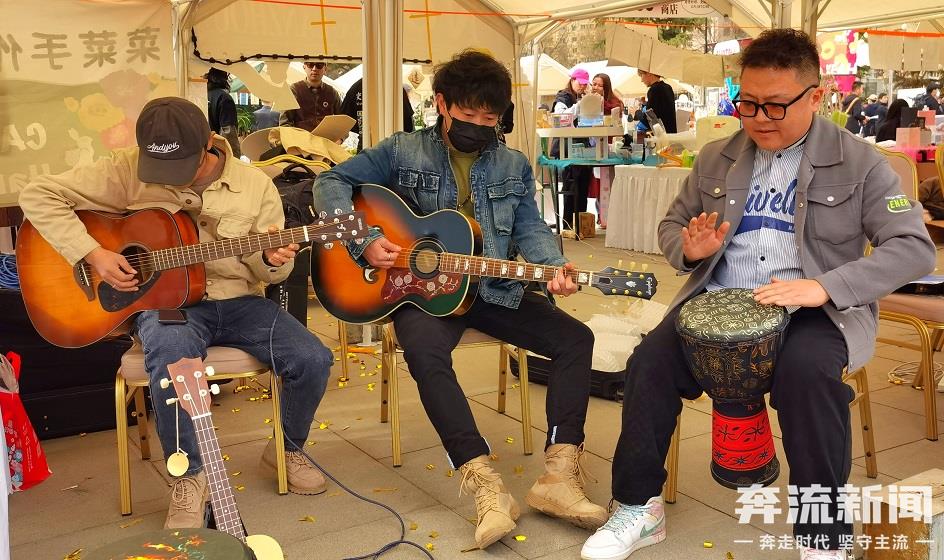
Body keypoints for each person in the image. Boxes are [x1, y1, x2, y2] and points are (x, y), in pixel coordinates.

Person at [582, 29, 935, 560]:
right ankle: (638, 507)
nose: (759, 119)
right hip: (719, 301)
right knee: (648, 363)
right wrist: (690, 250)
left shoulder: (862, 164)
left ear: (816, 97)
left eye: (775, 106)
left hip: (814, 309)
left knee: (808, 376)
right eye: (747, 104)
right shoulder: (716, 157)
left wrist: (825, 286)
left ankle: (824, 537)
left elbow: (913, 249)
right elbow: (673, 225)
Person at [313, 50, 605, 550]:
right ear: (442, 104)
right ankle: (485, 484)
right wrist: (364, 240)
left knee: (576, 339)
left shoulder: (513, 162)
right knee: (425, 352)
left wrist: (553, 267)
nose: (479, 126)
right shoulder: (402, 150)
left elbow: (530, 228)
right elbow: (330, 181)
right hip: (419, 293)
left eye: (490, 119)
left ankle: (559, 477)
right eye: (468, 115)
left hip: (491, 286)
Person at [18, 97, 335, 529]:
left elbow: (269, 271)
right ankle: (190, 477)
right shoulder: (125, 169)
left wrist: (272, 258)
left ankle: (287, 449)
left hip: (238, 301)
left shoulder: (254, 185)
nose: (168, 176)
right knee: (171, 355)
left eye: (181, 164)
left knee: (313, 357)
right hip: (168, 306)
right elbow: (37, 194)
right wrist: (93, 253)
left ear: (209, 143)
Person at [553, 69, 591, 230]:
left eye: (585, 84)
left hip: (583, 147)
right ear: (572, 80)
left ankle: (581, 224)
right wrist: (580, 106)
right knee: (571, 186)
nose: (582, 87)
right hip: (566, 149)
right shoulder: (563, 97)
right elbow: (560, 118)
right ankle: (568, 225)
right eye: (580, 83)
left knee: (583, 186)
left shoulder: (582, 96)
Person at [339, 77, 415, 152]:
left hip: (367, 145)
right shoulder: (393, 86)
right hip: (391, 145)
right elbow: (409, 126)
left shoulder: (356, 87)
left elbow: (344, 120)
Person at [279, 60, 342, 131]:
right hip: (300, 137)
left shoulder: (332, 92)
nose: (314, 69)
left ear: (325, 69)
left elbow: (343, 120)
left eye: (319, 65)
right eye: (310, 64)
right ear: (304, 66)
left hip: (326, 137)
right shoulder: (294, 90)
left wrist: (339, 136)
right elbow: (284, 123)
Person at [205, 68, 241, 158]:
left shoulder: (201, 95)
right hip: (218, 155)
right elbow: (228, 132)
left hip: (203, 154)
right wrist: (233, 159)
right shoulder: (224, 98)